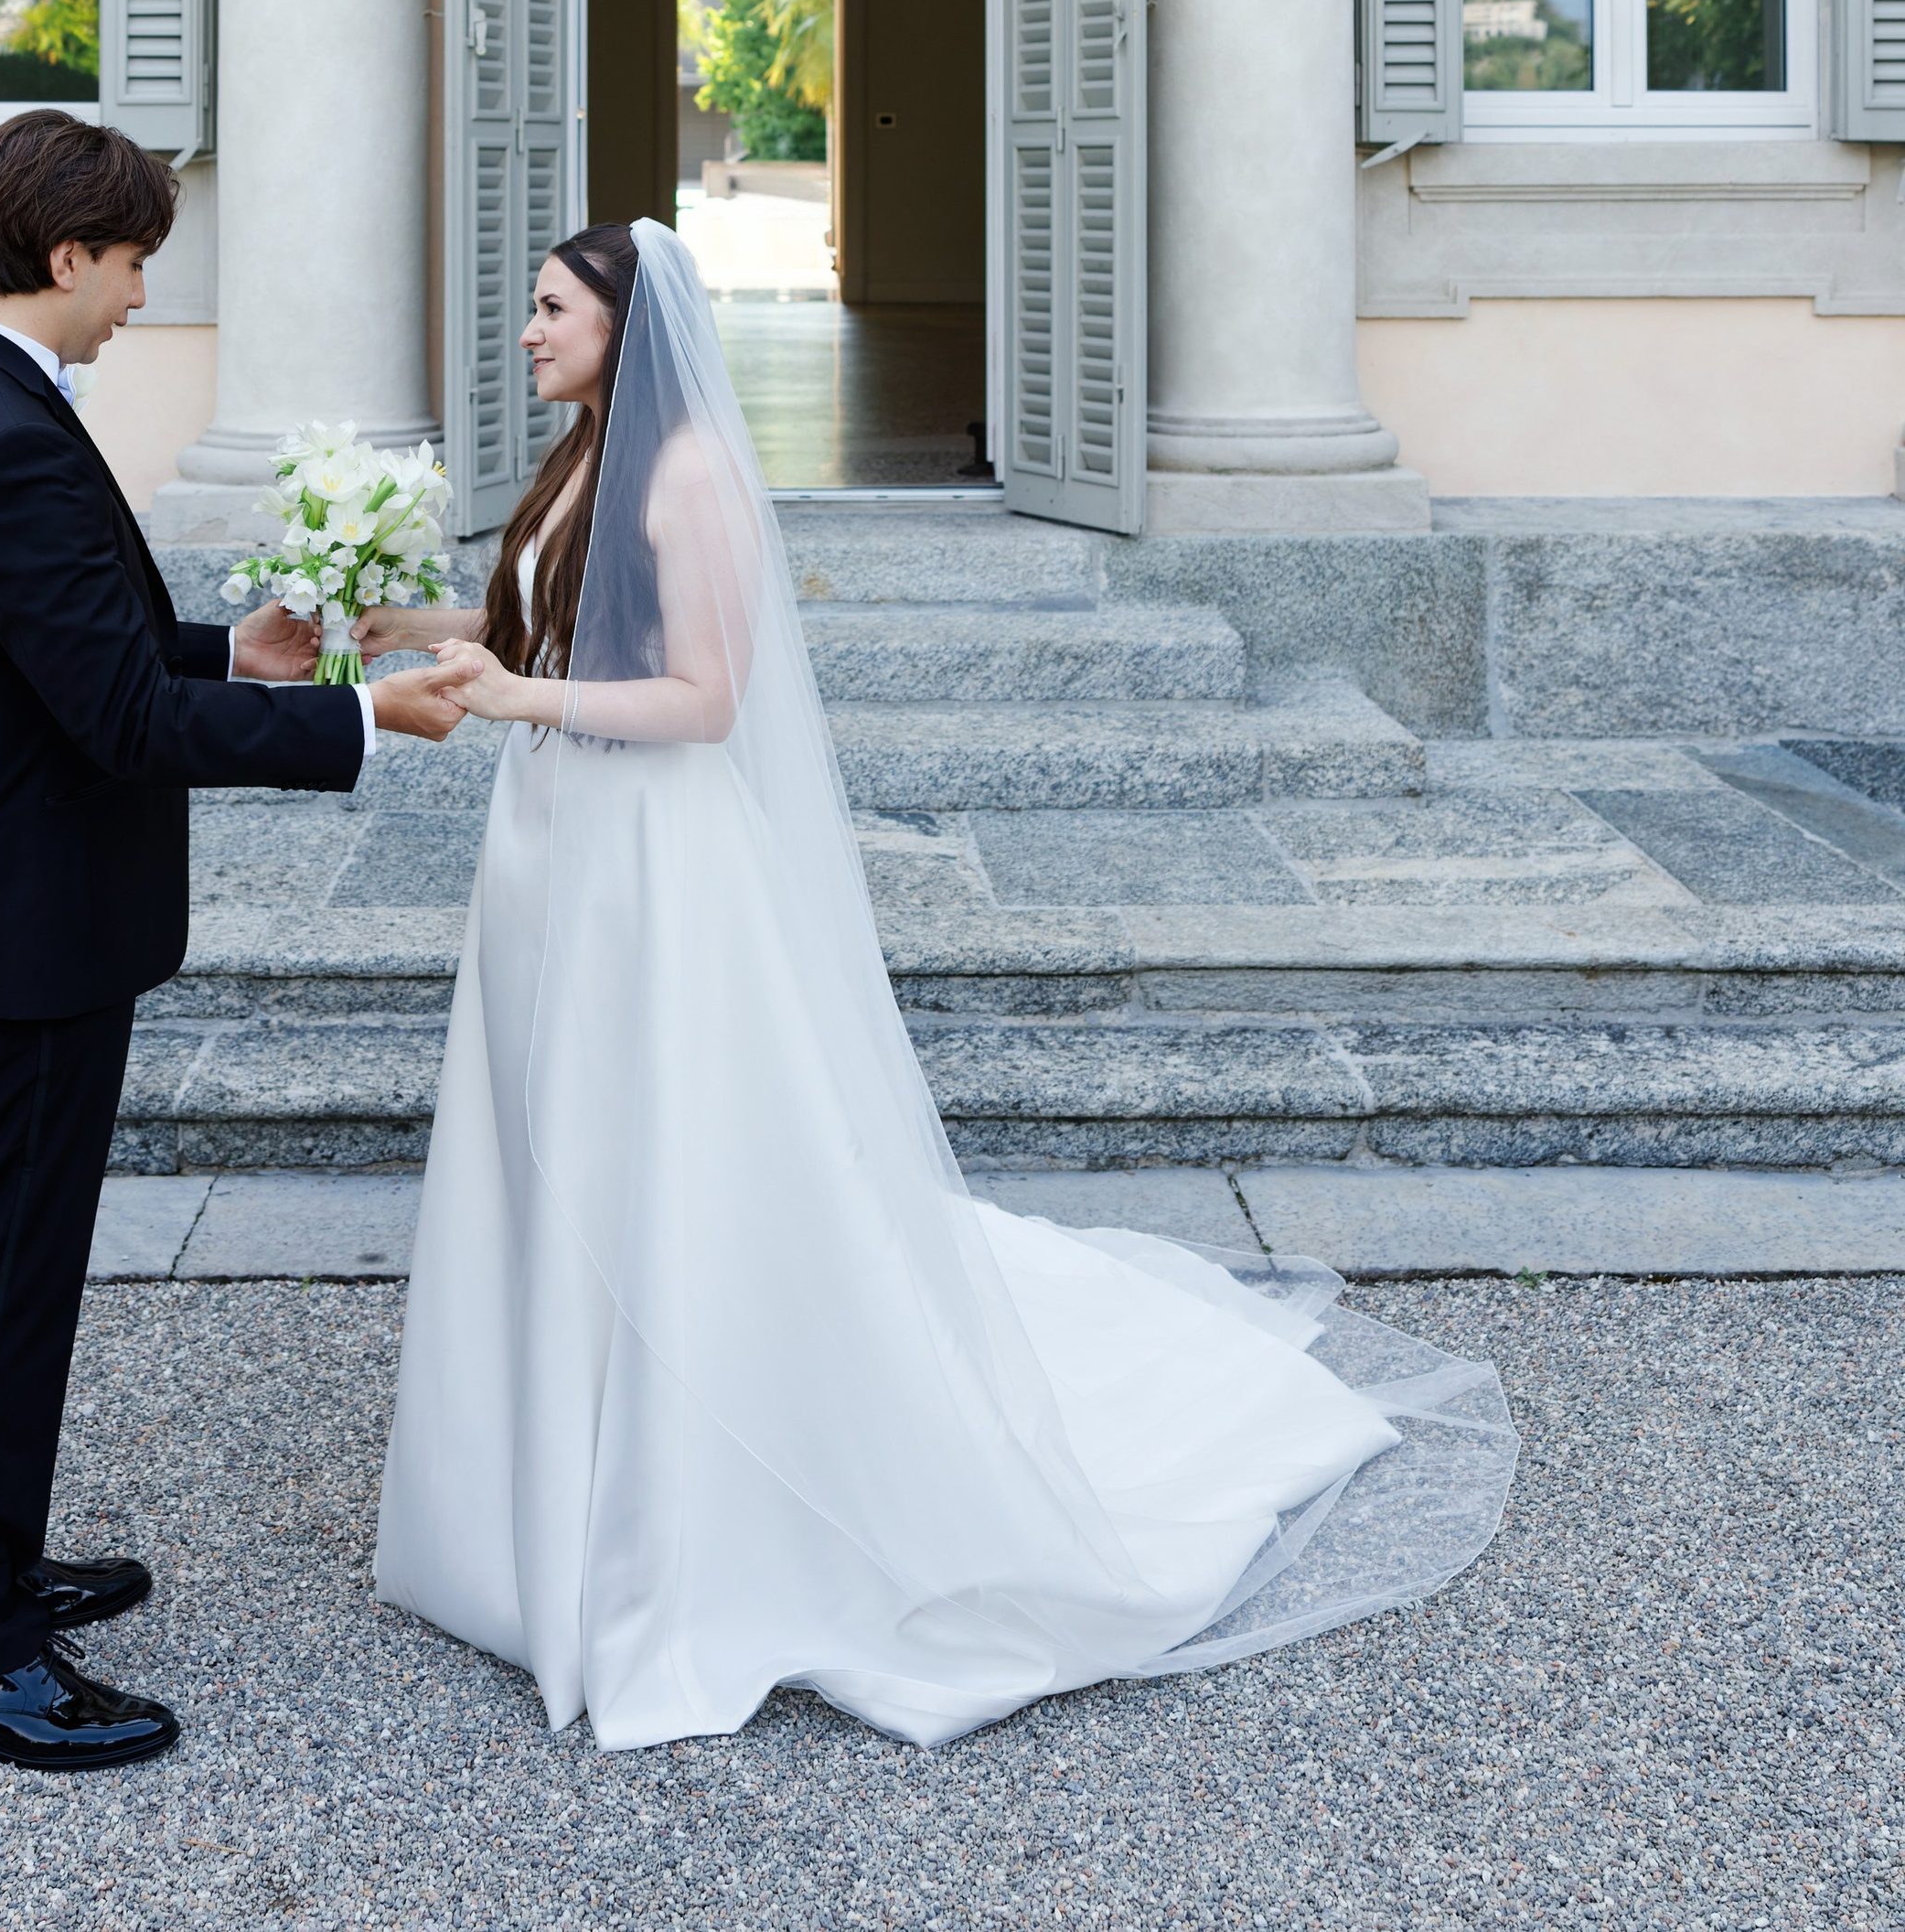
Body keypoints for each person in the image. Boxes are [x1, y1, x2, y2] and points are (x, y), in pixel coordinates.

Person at [369, 218, 1516, 1752]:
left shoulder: (691, 471)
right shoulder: (583, 454)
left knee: (664, 1152)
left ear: (624, 325)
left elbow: (710, 700)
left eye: (548, 306)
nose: (525, 331)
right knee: (555, 1142)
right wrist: (422, 632)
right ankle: (553, 1469)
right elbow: (541, 627)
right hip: (555, 850)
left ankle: (689, 1494)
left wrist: (520, 696)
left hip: (652, 863)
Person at [0, 109, 465, 1772]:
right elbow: (118, 721)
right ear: (68, 258)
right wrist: (356, 713)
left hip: (3, 901)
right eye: (132, 264)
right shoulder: (4, 435)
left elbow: (78, 651)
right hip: (28, 919)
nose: (138, 295)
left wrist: (239, 654)